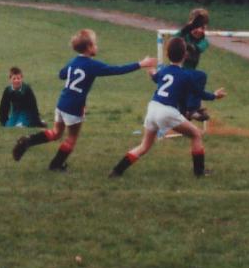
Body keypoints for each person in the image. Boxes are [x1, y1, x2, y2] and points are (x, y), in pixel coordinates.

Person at [12, 29, 157, 171]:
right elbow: (116, 70)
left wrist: (70, 70)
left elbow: (61, 75)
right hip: (75, 107)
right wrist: (140, 64)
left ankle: (29, 140)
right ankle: (56, 165)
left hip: (62, 103)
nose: (97, 47)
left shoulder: (73, 61)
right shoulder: (92, 65)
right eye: (95, 44)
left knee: (56, 132)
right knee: (71, 139)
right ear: (89, 47)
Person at [112, 35, 226, 179]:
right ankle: (199, 172)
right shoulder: (186, 76)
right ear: (185, 55)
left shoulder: (164, 70)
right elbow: (200, 93)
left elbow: (156, 78)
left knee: (144, 146)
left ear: (166, 54)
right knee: (196, 134)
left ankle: (117, 171)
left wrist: (152, 72)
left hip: (153, 108)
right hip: (167, 111)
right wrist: (215, 95)